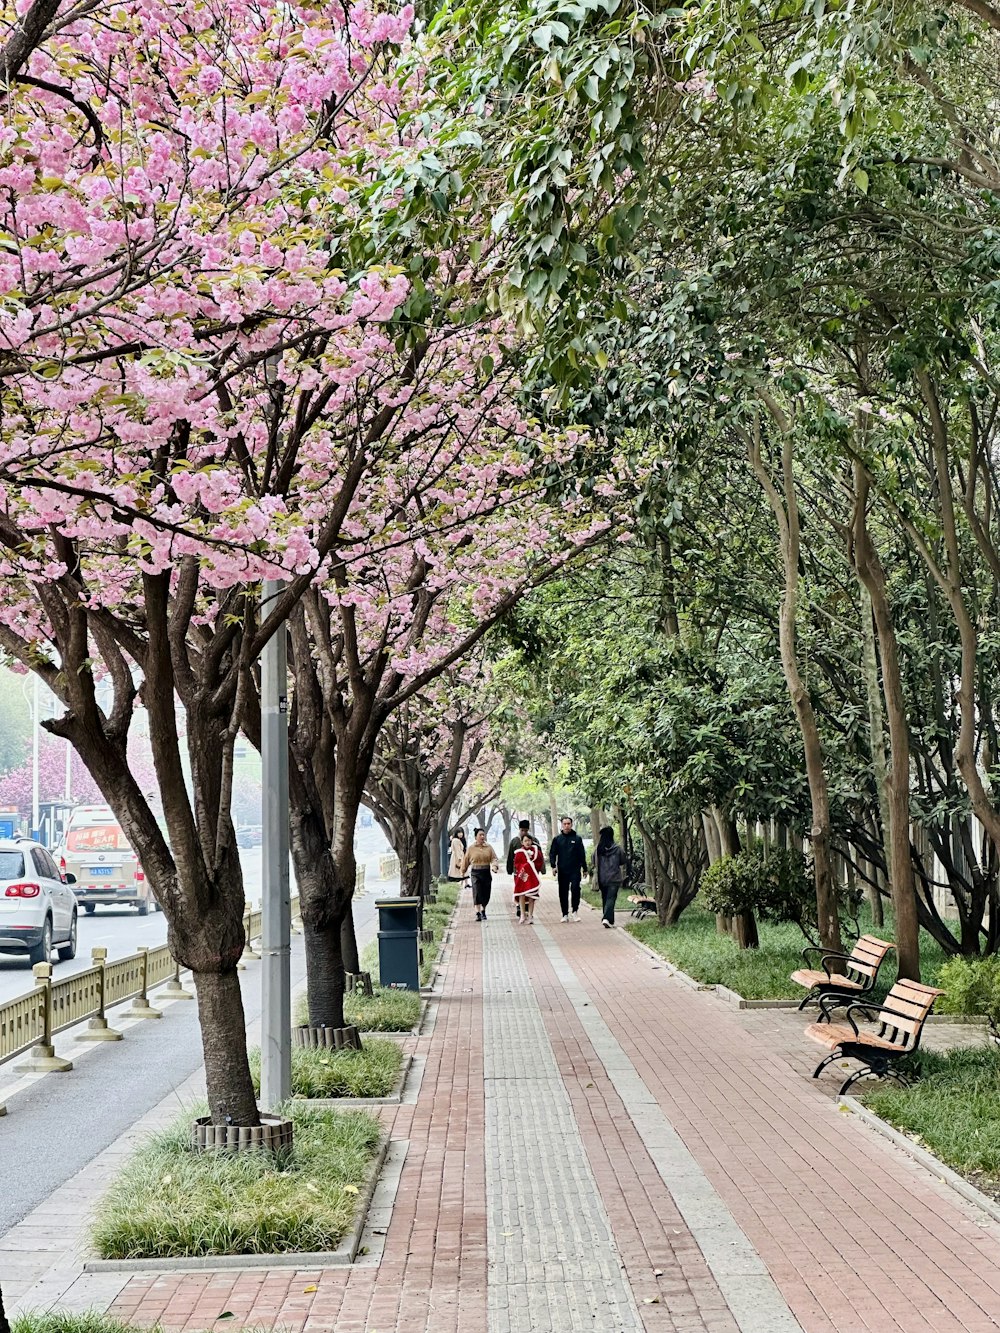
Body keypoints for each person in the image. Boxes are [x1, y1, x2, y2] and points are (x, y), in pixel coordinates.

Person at [549, 815, 588, 922]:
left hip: (575, 869)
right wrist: (553, 866)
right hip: (562, 870)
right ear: (561, 825)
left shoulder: (577, 839)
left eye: (568, 824)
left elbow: (582, 854)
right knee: (563, 892)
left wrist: (585, 868)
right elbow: (552, 853)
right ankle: (564, 914)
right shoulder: (557, 839)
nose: (566, 826)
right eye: (564, 824)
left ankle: (575, 911)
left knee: (575, 889)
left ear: (571, 824)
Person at [461, 827, 500, 922]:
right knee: (477, 892)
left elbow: (494, 858)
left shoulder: (489, 847)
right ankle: (478, 912)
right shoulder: (471, 848)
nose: (482, 836)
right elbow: (465, 860)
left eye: (483, 835)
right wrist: (463, 871)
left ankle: (483, 910)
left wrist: (494, 867)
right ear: (476, 837)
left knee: (486, 893)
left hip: (486, 872)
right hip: (475, 872)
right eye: (480, 835)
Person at [507, 819, 540, 919]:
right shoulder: (514, 841)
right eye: (522, 830)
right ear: (519, 829)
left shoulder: (534, 841)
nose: (524, 832)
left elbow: (539, 856)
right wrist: (510, 869)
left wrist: (540, 869)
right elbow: (510, 857)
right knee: (520, 889)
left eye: (526, 830)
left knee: (530, 890)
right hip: (518, 872)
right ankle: (519, 908)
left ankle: (528, 911)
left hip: (531, 872)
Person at [594, 826, 627, 927]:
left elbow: (593, 861)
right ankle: (606, 918)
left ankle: (609, 920)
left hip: (602, 877)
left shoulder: (598, 849)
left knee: (605, 898)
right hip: (614, 877)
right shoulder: (617, 848)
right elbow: (622, 860)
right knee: (611, 898)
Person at [513, 831, 544, 924]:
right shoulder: (519, 853)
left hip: (533, 878)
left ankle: (530, 915)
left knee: (532, 896)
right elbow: (517, 864)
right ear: (522, 842)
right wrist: (526, 866)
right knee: (522, 894)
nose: (528, 842)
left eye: (529, 840)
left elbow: (539, 862)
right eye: (525, 841)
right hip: (523, 878)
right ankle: (523, 914)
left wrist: (531, 866)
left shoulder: (536, 852)